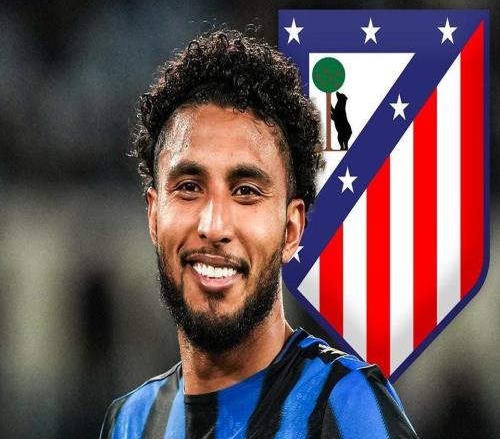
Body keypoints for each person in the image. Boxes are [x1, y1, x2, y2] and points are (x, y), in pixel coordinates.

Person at [100, 28, 418, 438]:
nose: (213, 226)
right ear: (154, 215)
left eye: (246, 192)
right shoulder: (130, 421)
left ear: (291, 230)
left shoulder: (346, 406)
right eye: (189, 187)